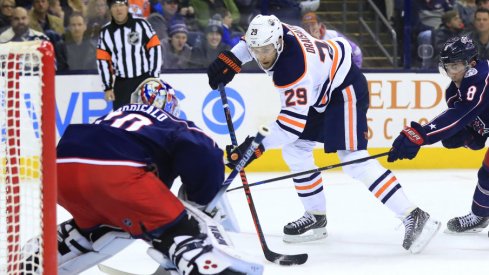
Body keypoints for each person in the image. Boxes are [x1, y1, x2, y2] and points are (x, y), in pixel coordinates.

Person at [207, 14, 441, 253]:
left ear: (278, 43)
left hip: (344, 89)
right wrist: (231, 59)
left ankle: (414, 215)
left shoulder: (292, 68)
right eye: (257, 51)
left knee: (352, 160)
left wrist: (253, 147)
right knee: (296, 149)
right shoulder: (272, 32)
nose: (261, 57)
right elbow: (249, 42)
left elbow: (290, 127)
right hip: (319, 90)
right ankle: (315, 216)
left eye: (266, 50)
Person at [21, 78, 263, 275]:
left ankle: (58, 247)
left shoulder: (113, 117)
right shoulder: (170, 121)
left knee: (109, 222)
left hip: (60, 170)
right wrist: (201, 201)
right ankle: (202, 264)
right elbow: (206, 151)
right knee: (182, 228)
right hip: (116, 174)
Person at [388, 35, 489, 234]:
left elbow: (459, 115)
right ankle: (480, 215)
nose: (451, 72)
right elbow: (477, 137)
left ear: (472, 63)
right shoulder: (454, 92)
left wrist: (420, 135)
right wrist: (466, 138)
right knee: (487, 173)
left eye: (456, 66)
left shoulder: (480, 79)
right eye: (448, 66)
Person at [97, 0, 162, 110]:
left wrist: (154, 77)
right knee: (122, 120)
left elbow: (155, 48)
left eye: (121, 5)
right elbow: (102, 60)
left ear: (127, 7)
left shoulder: (142, 24)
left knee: (147, 117)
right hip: (121, 83)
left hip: (144, 79)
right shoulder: (106, 32)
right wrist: (107, 87)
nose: (118, 9)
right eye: (115, 6)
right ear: (110, 10)